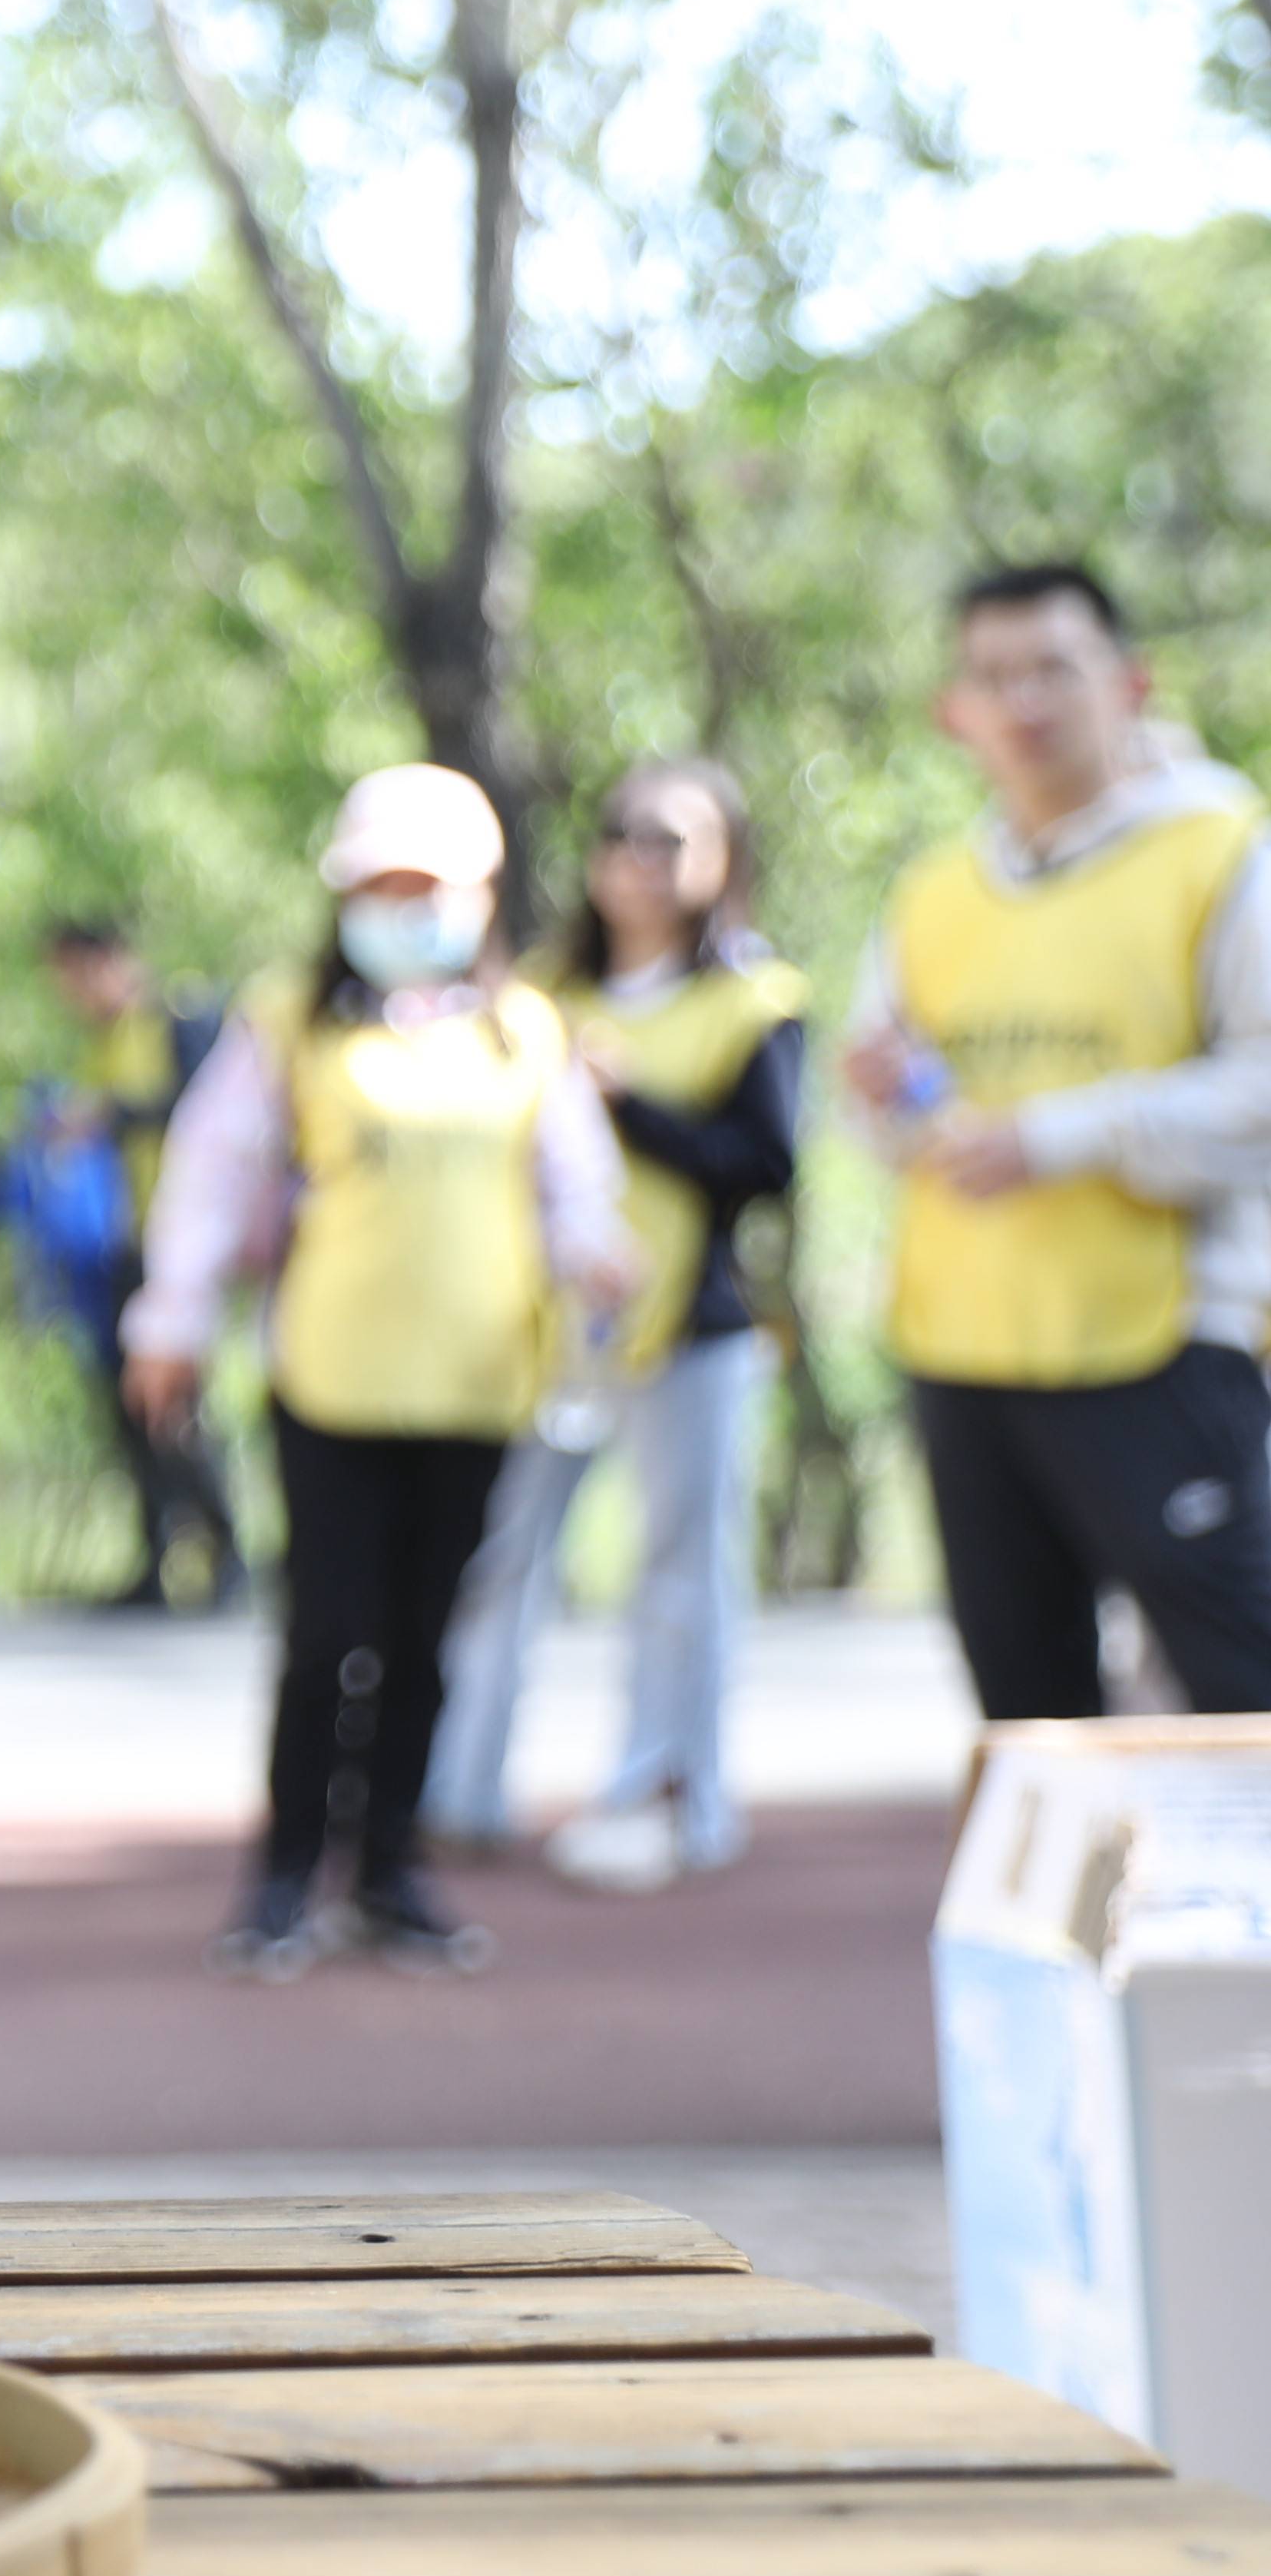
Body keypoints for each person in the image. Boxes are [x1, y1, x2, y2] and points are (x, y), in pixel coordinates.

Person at [127, 764, 637, 1978]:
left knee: (424, 1637)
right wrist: (173, 1318)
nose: (407, 907)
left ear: (481, 893)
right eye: (383, 886)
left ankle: (393, 1865)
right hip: (334, 1380)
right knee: (327, 1632)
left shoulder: (526, 1031)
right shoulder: (291, 1023)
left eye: (430, 886)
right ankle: (287, 1871)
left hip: (478, 1383)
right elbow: (215, 1175)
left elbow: (575, 1184)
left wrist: (599, 1256)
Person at [846, 562, 1271, 1723]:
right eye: (994, 676)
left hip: (1165, 1350)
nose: (1024, 701)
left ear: (1130, 683)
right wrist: (889, 1100)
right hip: (965, 1351)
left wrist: (1063, 1138)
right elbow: (884, 1110)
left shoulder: (1224, 854)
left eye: (1054, 669)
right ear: (955, 710)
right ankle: (1067, 1919)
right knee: (1030, 1717)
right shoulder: (934, 892)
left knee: (1241, 1692)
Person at [425, 760, 806, 1889]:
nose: (639, 860)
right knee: (496, 1558)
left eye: (668, 839)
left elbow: (766, 1164)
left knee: (682, 1570)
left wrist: (629, 1105)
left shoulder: (757, 1003)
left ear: (723, 860)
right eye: (620, 834)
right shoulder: (539, 996)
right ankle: (458, 1787)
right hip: (540, 1331)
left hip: (689, 1328)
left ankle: (670, 1786)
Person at [38, 920, 246, 1611]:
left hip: (176, 1242)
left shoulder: (179, 1021)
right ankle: (157, 1555)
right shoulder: (102, 1041)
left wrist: (112, 1114)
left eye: (76, 975)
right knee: (129, 1405)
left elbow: (204, 1114)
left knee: (178, 1405)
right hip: (119, 1247)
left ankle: (228, 1550)